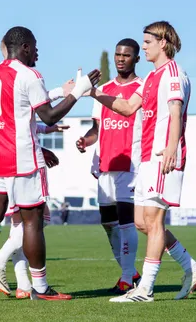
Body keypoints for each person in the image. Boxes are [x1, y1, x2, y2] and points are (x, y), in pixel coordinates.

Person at [0, 26, 100, 302]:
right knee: (33, 223)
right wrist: (77, 92)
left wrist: (59, 91)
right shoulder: (30, 75)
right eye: (34, 47)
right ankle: (41, 288)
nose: (37, 52)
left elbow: (19, 116)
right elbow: (47, 116)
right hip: (21, 160)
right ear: (24, 47)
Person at [89, 21, 196, 303]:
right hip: (145, 160)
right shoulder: (152, 77)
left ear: (162, 43)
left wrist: (170, 148)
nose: (143, 47)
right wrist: (93, 93)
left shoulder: (174, 73)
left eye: (147, 42)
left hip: (161, 157)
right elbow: (128, 107)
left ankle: (145, 289)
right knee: (142, 222)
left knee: (154, 221)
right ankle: (192, 268)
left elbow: (176, 112)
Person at [76, 38, 143, 293]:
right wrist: (86, 140)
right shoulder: (103, 89)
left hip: (130, 162)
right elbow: (97, 128)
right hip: (106, 163)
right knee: (107, 222)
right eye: (117, 54)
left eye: (126, 55)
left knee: (126, 219)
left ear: (136, 59)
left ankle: (127, 276)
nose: (120, 59)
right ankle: (130, 270)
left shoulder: (141, 88)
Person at [0, 124, 61, 299]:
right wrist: (68, 95)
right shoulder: (16, 99)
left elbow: (26, 122)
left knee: (20, 225)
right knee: (36, 221)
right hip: (20, 163)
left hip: (7, 159)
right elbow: (21, 123)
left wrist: (48, 130)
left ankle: (23, 284)